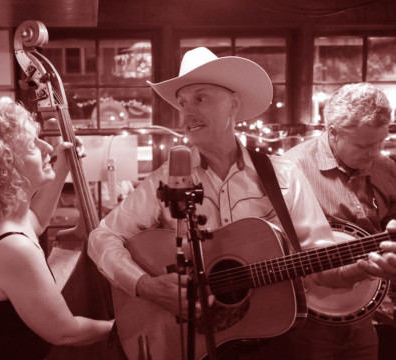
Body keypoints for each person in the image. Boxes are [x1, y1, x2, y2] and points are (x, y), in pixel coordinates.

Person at [87, 47, 396, 360]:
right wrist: (144, 285)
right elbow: (101, 237)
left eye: (200, 98)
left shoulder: (282, 174)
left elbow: (316, 264)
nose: (187, 112)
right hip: (194, 343)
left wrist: (362, 269)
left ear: (234, 103)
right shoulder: (167, 179)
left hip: (272, 344)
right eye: (182, 102)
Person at [0, 100, 113, 360]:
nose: (46, 147)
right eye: (33, 144)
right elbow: (65, 332)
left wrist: (62, 166)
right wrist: (123, 325)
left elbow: (36, 221)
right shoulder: (12, 249)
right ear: (5, 166)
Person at [282, 82, 396, 360]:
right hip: (310, 319)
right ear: (332, 133)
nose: (376, 152)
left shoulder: (387, 168)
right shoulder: (290, 171)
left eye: (382, 141)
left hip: (367, 314)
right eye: (364, 145)